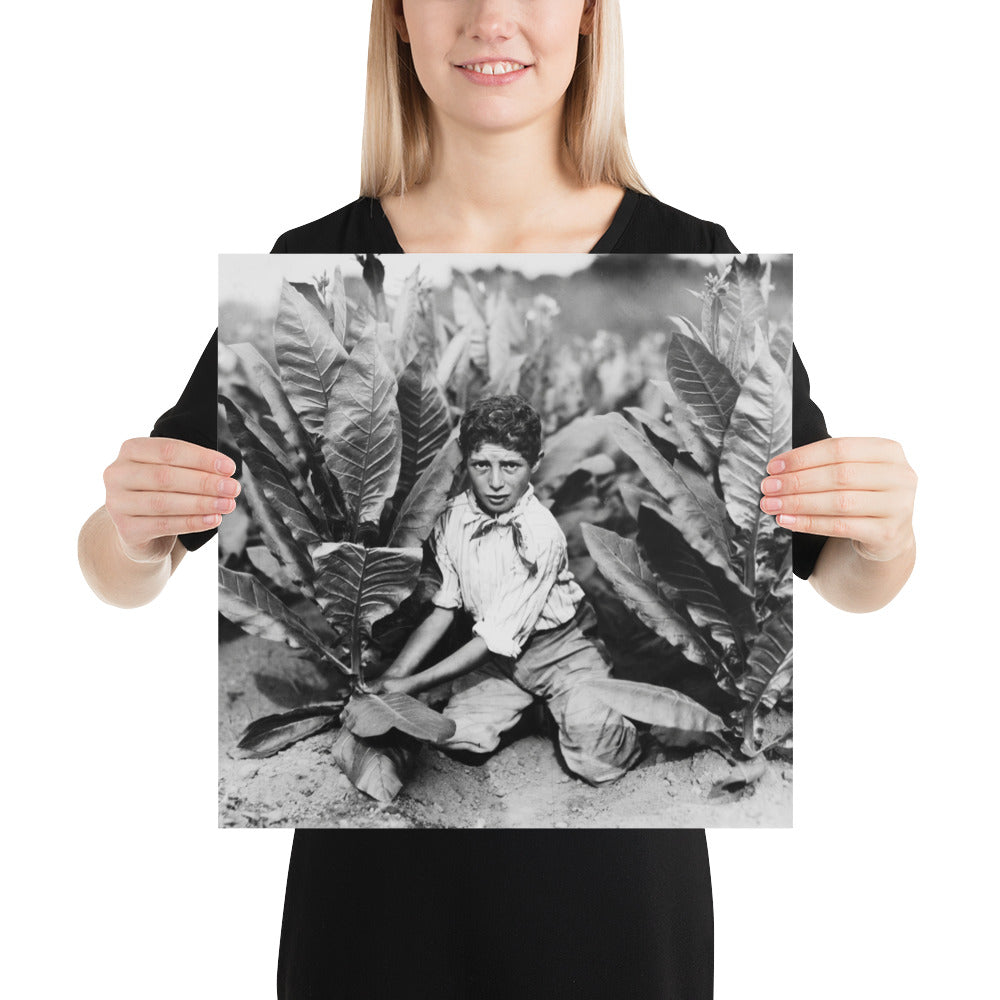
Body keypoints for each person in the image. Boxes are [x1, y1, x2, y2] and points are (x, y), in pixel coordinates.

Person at [77, 1, 918, 996]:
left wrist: (885, 532)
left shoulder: (700, 253)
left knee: (584, 744)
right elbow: (119, 569)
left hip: (614, 914)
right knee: (460, 726)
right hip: (371, 919)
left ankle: (604, 716)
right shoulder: (312, 259)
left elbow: (847, 578)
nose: (492, 18)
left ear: (591, 19)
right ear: (396, 20)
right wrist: (129, 533)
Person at [375, 393, 644, 784]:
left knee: (599, 761)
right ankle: (534, 713)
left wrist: (410, 685)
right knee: (456, 738)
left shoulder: (541, 534)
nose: (496, 482)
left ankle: (589, 705)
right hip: (501, 661)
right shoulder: (451, 519)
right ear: (466, 462)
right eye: (482, 465)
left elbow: (494, 638)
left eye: (511, 466)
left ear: (534, 464)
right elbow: (445, 608)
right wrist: (395, 673)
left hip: (562, 650)